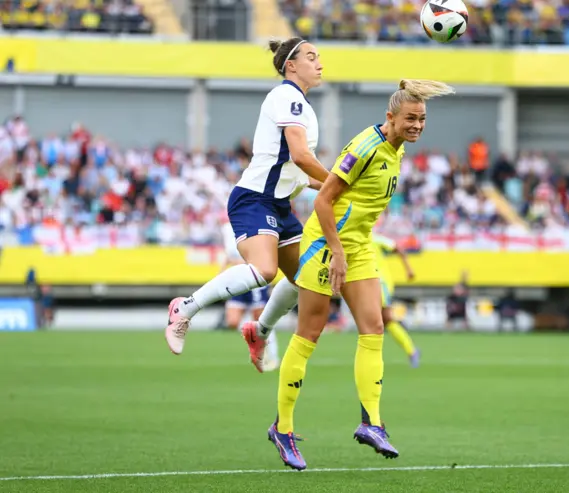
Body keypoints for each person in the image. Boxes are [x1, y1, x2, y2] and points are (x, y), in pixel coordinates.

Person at [266, 79, 455, 470]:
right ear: (390, 117)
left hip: (360, 245)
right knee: (310, 334)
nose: (417, 125)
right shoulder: (366, 147)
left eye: (422, 119)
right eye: (410, 119)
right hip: (326, 244)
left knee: (374, 328)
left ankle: (372, 422)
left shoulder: (397, 149)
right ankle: (282, 428)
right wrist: (335, 252)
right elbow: (324, 199)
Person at [164, 37, 329, 357]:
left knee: (306, 279)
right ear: (291, 66)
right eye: (312, 57)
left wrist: (339, 189)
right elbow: (300, 155)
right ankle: (184, 309)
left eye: (319, 56)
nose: (319, 62)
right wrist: (342, 181)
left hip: (278, 204)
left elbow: (299, 172)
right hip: (254, 199)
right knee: (264, 271)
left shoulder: (302, 106)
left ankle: (260, 331)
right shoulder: (287, 96)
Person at [220, 215, 280, 371]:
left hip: (254, 278)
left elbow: (257, 257)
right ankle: (253, 337)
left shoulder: (254, 227)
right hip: (237, 278)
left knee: (261, 319)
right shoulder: (227, 230)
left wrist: (236, 263)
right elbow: (230, 254)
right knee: (232, 321)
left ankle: (272, 355)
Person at [372, 233, 420, 367]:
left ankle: (411, 350)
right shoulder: (353, 238)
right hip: (367, 282)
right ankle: (412, 350)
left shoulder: (375, 239)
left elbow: (398, 248)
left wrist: (409, 269)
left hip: (381, 283)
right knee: (384, 320)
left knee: (378, 318)